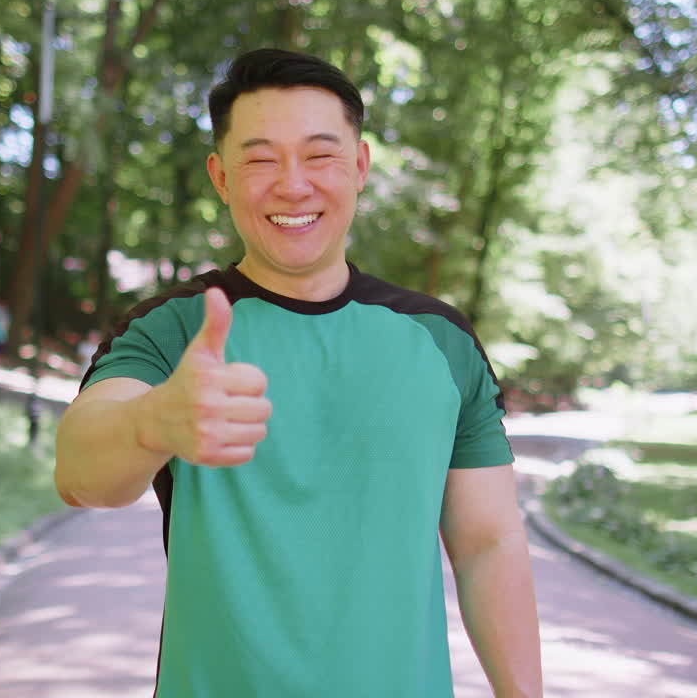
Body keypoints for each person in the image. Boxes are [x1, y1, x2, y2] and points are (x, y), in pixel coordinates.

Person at [55, 48, 542, 697]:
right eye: (260, 159)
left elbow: (488, 545)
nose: (292, 184)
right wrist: (153, 422)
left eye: (320, 155)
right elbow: (79, 474)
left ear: (360, 166)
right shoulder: (174, 330)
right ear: (221, 177)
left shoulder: (440, 341)